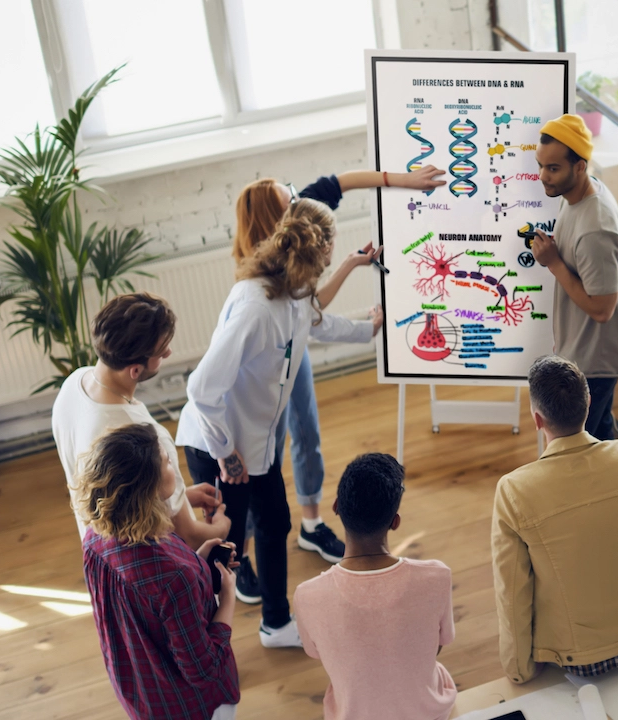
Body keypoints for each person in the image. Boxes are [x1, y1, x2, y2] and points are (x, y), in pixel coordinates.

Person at [176, 198, 382, 648]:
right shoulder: (256, 305)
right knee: (225, 547)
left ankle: (275, 624)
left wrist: (368, 329)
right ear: (320, 248)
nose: (333, 255)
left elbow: (318, 322)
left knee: (274, 524)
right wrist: (227, 453)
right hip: (219, 445)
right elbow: (202, 388)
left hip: (254, 446)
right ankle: (204, 642)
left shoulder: (293, 291)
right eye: (333, 247)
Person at [230, 166, 444, 574]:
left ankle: (311, 524)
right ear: (276, 222)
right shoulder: (263, 272)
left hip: (293, 349)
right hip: (265, 365)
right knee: (264, 456)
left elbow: (343, 182)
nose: (298, 197)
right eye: (288, 198)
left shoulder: (304, 210)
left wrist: (404, 179)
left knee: (307, 433)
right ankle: (240, 555)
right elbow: (313, 314)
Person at [492, 355, 618, 683]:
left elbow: (512, 590)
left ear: (537, 419)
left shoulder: (514, 490)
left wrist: (519, 669)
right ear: (588, 405)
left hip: (571, 659)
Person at [77, 423, 240, 720]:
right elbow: (203, 669)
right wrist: (228, 596)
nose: (172, 465)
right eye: (166, 461)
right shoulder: (175, 576)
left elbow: (149, 603)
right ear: (148, 487)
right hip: (192, 707)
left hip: (142, 691)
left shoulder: (94, 540)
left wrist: (198, 564)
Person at [53, 292, 229, 548]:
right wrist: (221, 528)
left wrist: (181, 499)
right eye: (162, 351)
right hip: (152, 558)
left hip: (107, 550)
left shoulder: (73, 384)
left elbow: (124, 496)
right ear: (135, 370)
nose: (169, 352)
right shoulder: (143, 437)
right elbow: (188, 535)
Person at [295, 453, 456, 720]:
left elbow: (316, 652)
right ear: (395, 522)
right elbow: (436, 646)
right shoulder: (437, 577)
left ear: (336, 507)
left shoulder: (307, 595)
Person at [530, 114, 618, 441]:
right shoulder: (578, 195)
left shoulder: (595, 230)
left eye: (553, 168)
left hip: (595, 363)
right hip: (584, 353)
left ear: (579, 167)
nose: (543, 176)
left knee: (579, 446)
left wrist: (553, 262)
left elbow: (602, 309)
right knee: (602, 436)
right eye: (541, 165)